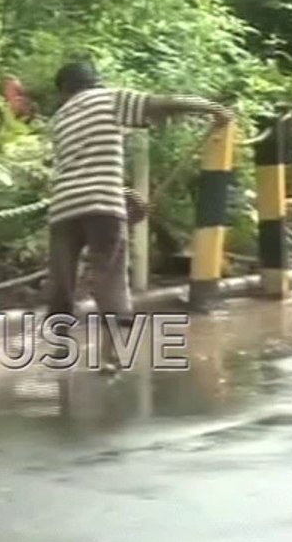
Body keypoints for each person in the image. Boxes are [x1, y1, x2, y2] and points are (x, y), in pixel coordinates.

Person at [47, 60, 232, 369]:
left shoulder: (60, 119)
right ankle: (111, 354)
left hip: (64, 206)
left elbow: (77, 167)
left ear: (65, 91)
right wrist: (210, 108)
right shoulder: (107, 98)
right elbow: (162, 104)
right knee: (110, 275)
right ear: (95, 82)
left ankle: (59, 348)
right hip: (103, 205)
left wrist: (122, 195)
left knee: (61, 280)